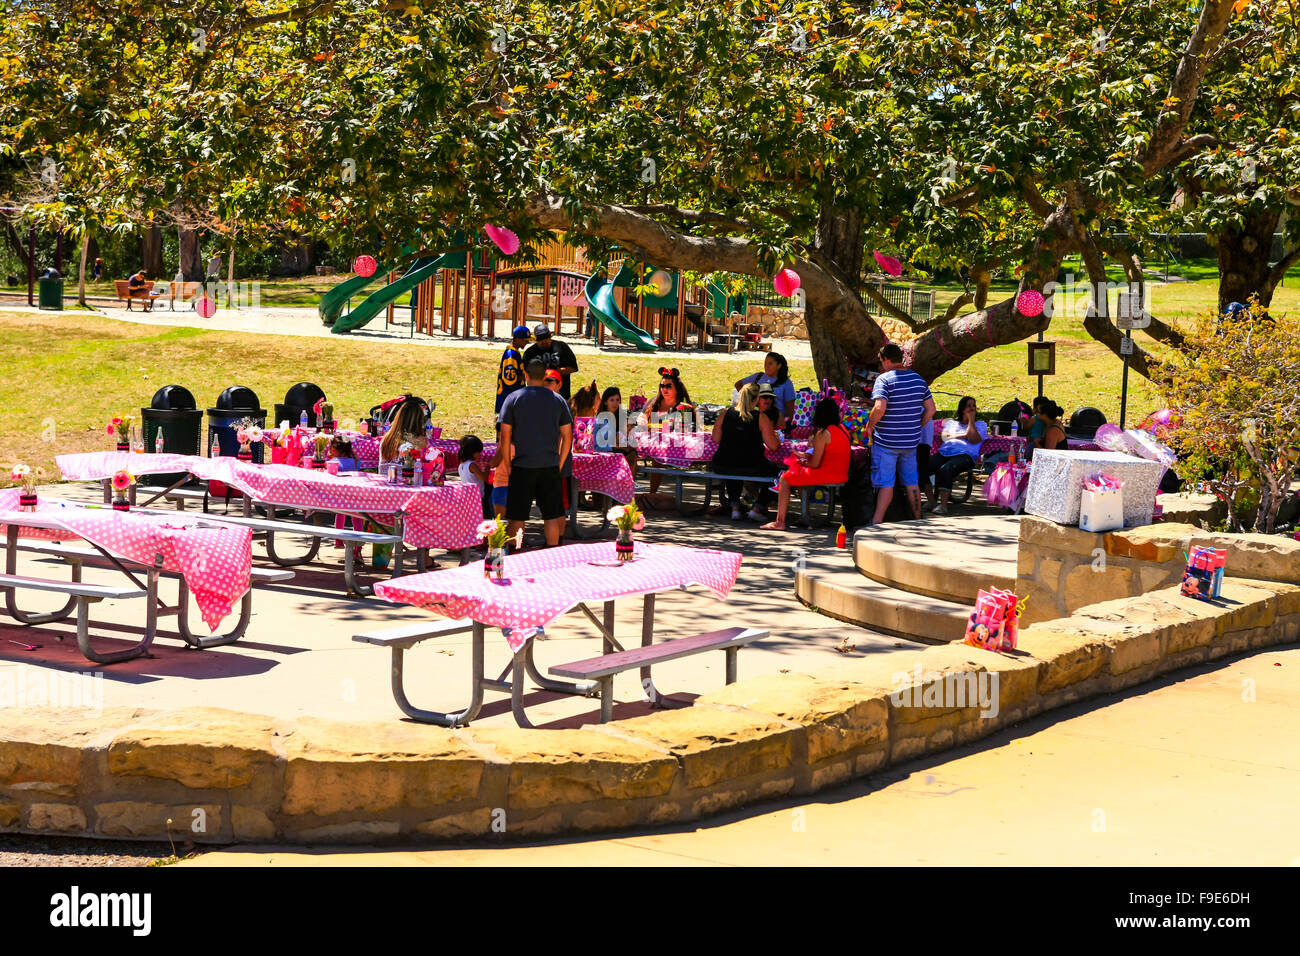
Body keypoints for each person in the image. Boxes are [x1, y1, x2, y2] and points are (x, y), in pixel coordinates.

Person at [497, 357, 573, 547]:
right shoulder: (558, 400)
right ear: (544, 374)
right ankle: (553, 553)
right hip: (550, 465)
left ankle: (515, 554)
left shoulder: (513, 398)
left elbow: (504, 436)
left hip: (522, 465)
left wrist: (507, 464)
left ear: (526, 375)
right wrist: (560, 463)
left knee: (517, 516)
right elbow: (568, 437)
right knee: (552, 515)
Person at [865, 343, 936, 524]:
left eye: (881, 361)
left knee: (886, 483)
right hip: (910, 442)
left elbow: (879, 407)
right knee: (912, 482)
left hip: (886, 441)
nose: (881, 366)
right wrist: (917, 426)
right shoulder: (918, 379)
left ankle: (877, 521)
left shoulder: (884, 379)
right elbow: (931, 409)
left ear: (886, 360)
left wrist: (870, 425)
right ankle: (918, 519)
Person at [761, 397, 852, 531]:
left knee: (785, 478)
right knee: (796, 472)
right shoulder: (842, 428)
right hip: (841, 474)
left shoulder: (823, 433)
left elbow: (814, 464)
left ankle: (779, 522)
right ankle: (806, 514)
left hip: (828, 474)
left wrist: (802, 461)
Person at [712, 382, 782, 521]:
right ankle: (758, 507)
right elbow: (773, 446)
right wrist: (777, 437)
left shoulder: (726, 413)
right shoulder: (760, 417)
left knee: (734, 463)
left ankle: (735, 507)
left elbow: (715, 437)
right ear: (756, 399)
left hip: (723, 463)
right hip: (752, 464)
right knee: (779, 474)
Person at [641, 366, 702, 498]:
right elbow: (641, 419)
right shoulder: (653, 402)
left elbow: (690, 429)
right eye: (661, 386)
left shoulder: (684, 406)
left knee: (659, 453)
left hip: (676, 444)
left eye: (668, 386)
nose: (664, 389)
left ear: (677, 388)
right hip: (653, 442)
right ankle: (643, 494)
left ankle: (652, 494)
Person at [922, 396, 987, 515]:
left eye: (974, 406)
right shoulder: (952, 423)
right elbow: (944, 437)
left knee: (946, 469)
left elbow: (972, 438)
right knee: (923, 467)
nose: (972, 408)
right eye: (969, 406)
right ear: (962, 409)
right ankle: (931, 501)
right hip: (945, 452)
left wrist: (971, 421)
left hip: (965, 455)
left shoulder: (980, 425)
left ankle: (943, 506)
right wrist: (963, 435)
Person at [523, 323, 579, 401]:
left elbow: (573, 368)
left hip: (561, 394)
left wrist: (558, 372)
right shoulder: (530, 353)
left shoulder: (561, 347)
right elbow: (526, 374)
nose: (544, 342)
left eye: (546, 338)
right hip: (538, 395)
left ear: (550, 336)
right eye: (540, 340)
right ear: (536, 339)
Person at [734, 352, 796, 418]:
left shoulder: (786, 382)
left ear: (779, 366)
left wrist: (787, 425)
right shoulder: (758, 376)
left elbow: (790, 408)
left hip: (776, 421)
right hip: (755, 418)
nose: (766, 366)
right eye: (765, 363)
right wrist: (751, 401)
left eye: (770, 364)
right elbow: (738, 385)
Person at [378, 394, 429, 464]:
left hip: (385, 474)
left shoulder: (387, 438)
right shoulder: (419, 441)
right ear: (419, 420)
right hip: (407, 474)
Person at [495, 325, 531, 416]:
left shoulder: (515, 353)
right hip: (508, 400)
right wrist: (527, 375)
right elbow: (509, 380)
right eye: (525, 340)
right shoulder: (511, 355)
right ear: (517, 339)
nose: (527, 342)